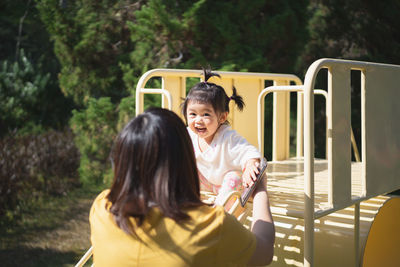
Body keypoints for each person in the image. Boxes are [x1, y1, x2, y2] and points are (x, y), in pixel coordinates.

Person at [89, 107, 275, 266]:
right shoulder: (210, 225)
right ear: (185, 159)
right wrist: (259, 190)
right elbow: (264, 251)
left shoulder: (103, 206)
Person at [181, 69, 262, 206]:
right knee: (180, 168)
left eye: (206, 115)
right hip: (205, 182)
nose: (198, 120)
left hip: (228, 186)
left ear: (222, 117)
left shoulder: (227, 137)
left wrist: (250, 165)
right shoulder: (188, 134)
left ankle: (219, 211)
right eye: (193, 114)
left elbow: (249, 151)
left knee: (234, 177)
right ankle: (181, 202)